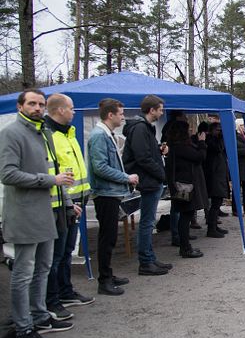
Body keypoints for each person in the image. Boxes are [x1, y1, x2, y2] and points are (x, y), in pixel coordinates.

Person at [0, 89, 74, 338]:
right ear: (20, 106)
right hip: (23, 213)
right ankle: (23, 328)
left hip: (47, 212)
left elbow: (55, 171)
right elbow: (8, 174)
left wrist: (67, 202)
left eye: (41, 104)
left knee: (43, 268)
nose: (37, 108)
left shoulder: (44, 133)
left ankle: (40, 316)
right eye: (32, 103)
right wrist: (49, 181)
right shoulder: (11, 133)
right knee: (23, 273)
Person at [43, 94, 93, 320]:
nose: (74, 112)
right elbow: (53, 172)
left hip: (75, 203)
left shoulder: (68, 134)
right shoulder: (49, 136)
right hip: (60, 204)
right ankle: (51, 300)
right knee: (55, 256)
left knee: (66, 253)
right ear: (60, 110)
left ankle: (66, 291)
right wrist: (69, 203)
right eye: (71, 109)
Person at [87, 98, 139, 296]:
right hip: (105, 193)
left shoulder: (107, 134)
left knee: (109, 236)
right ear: (110, 115)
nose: (123, 116)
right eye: (121, 113)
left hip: (111, 192)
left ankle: (108, 274)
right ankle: (104, 280)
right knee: (106, 237)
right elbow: (100, 167)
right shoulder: (99, 136)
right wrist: (126, 177)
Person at [122, 95, 172, 276]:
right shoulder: (140, 129)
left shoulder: (145, 129)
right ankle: (145, 261)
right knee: (147, 223)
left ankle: (150, 257)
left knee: (148, 222)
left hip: (151, 179)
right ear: (151, 110)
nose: (161, 113)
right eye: (160, 109)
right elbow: (142, 157)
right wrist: (161, 174)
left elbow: (146, 152)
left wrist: (158, 150)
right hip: (149, 180)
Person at [165, 121, 208, 258]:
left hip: (182, 184)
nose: (190, 131)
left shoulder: (175, 146)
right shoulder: (181, 147)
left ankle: (185, 246)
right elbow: (199, 157)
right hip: (185, 186)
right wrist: (202, 142)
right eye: (188, 130)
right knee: (185, 216)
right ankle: (185, 248)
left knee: (185, 216)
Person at [161, 110, 188, 246]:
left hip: (176, 173)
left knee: (179, 206)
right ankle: (177, 236)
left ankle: (180, 235)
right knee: (178, 206)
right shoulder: (173, 129)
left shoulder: (168, 128)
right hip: (178, 176)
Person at [205, 122, 230, 238]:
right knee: (215, 203)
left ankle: (214, 226)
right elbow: (218, 148)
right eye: (217, 130)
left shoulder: (216, 140)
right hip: (214, 175)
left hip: (219, 173)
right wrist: (221, 137)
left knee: (218, 202)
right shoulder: (210, 140)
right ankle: (211, 228)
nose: (219, 132)